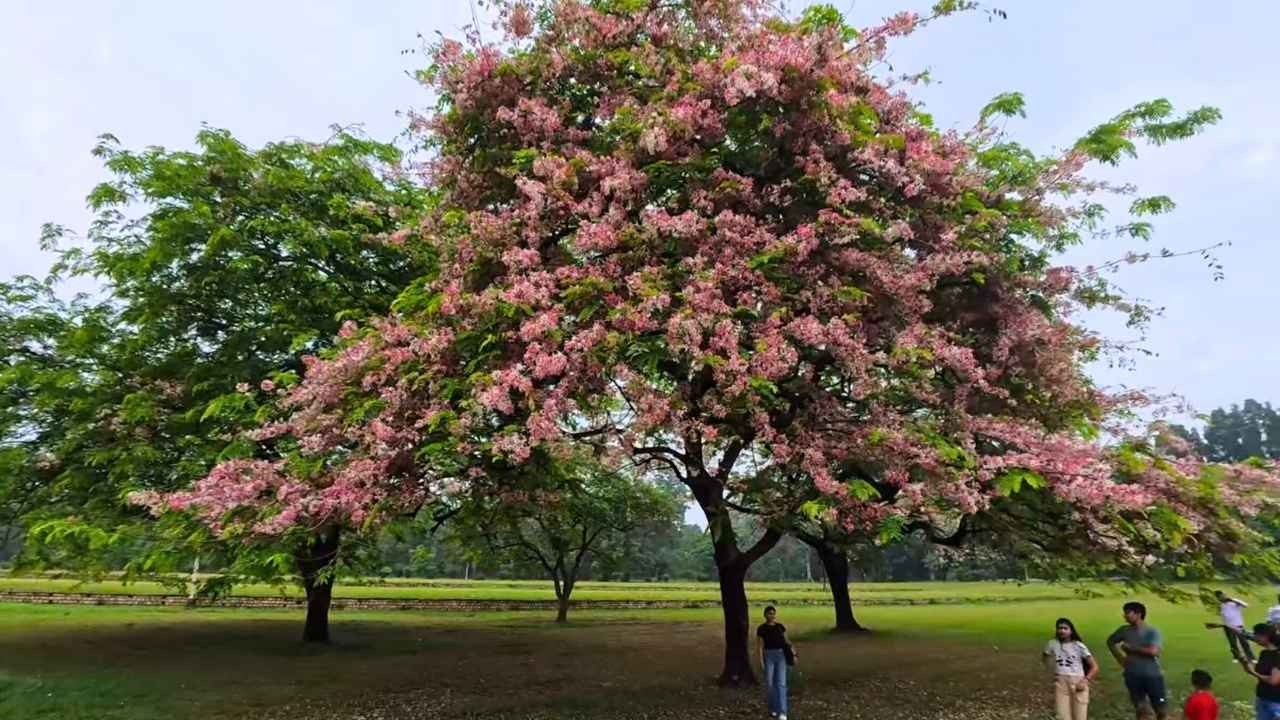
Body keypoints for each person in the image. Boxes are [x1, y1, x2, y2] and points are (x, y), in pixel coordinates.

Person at [1108, 601, 1168, 720]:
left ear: (1138, 614)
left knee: (1160, 709)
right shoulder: (1124, 630)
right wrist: (1120, 658)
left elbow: (1153, 651)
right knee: (1140, 709)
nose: (1125, 616)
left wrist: (1131, 648)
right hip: (1132, 675)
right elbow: (1110, 642)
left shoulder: (1152, 631)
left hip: (1152, 675)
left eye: (1128, 613)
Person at [1043, 617, 1098, 720]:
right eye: (1059, 628)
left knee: (1079, 716)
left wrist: (1085, 681)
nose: (1062, 631)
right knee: (1062, 716)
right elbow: (1045, 656)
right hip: (1061, 683)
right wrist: (1052, 670)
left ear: (1071, 630)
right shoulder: (1052, 644)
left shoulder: (1078, 646)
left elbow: (1094, 667)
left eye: (1065, 628)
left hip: (1078, 682)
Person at [757, 605, 795, 720]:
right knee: (770, 683)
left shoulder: (780, 627)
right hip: (768, 655)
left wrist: (794, 654)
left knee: (781, 683)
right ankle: (773, 708)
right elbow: (759, 647)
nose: (771, 616)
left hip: (781, 655)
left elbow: (787, 641)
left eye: (773, 613)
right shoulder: (761, 628)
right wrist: (761, 661)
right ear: (765, 615)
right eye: (769, 613)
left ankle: (783, 712)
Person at [1241, 623, 1280, 720]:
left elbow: (1274, 681)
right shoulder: (1264, 653)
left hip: (1275, 701)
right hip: (1262, 697)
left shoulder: (1277, 655)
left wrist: (1253, 673)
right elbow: (1261, 670)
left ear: (1265, 636)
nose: (1254, 637)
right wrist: (1247, 664)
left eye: (1256, 634)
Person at [1213, 590, 1255, 661]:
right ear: (1218, 598)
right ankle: (1236, 657)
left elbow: (1245, 605)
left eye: (1223, 595)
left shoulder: (1234, 602)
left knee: (1244, 642)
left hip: (1238, 625)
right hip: (1228, 626)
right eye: (1220, 597)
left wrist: (1232, 600)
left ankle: (1251, 657)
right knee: (1233, 643)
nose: (1223, 597)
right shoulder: (1221, 605)